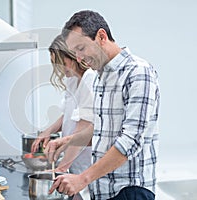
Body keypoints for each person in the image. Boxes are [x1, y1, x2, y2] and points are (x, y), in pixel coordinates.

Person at [44, 10, 160, 200]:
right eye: (74, 53)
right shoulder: (101, 77)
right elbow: (102, 130)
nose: (79, 59)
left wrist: (82, 179)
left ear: (101, 36)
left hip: (130, 191)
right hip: (104, 190)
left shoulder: (138, 72)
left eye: (81, 48)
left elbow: (131, 141)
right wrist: (68, 141)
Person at [31, 34, 97, 199]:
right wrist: (47, 131)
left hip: (85, 165)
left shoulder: (89, 79)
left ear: (72, 56)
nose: (59, 68)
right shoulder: (72, 80)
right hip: (74, 162)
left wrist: (61, 168)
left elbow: (83, 129)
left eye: (61, 62)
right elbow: (68, 114)